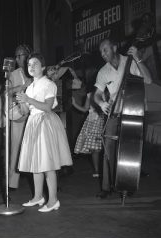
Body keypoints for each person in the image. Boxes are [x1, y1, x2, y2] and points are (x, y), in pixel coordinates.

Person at [94, 39, 152, 198]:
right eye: (100, 52)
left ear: (114, 47)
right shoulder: (103, 71)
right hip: (115, 112)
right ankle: (106, 187)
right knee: (108, 148)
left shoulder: (131, 61)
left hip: (135, 112)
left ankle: (127, 184)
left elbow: (148, 79)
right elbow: (97, 94)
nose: (103, 54)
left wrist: (138, 58)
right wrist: (101, 103)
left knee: (131, 150)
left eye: (105, 50)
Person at [16, 53, 73, 212]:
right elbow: (26, 110)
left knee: (48, 164)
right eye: (29, 64)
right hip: (33, 122)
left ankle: (53, 200)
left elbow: (48, 107)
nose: (31, 66)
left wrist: (28, 100)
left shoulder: (48, 84)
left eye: (35, 63)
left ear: (42, 67)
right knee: (36, 163)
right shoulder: (30, 87)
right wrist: (21, 102)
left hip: (45, 122)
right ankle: (38, 197)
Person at [8, 44, 32, 190]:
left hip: (35, 114)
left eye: (20, 55)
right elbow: (8, 92)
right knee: (15, 149)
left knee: (37, 149)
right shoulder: (13, 74)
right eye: (16, 56)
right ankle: (12, 183)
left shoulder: (35, 69)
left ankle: (43, 184)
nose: (17, 59)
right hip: (18, 115)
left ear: (28, 55)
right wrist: (22, 87)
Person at [72, 80, 104, 178]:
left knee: (106, 147)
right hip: (92, 122)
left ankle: (107, 170)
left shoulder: (109, 93)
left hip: (105, 121)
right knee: (95, 148)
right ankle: (96, 170)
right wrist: (74, 103)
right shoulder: (90, 95)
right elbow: (85, 109)